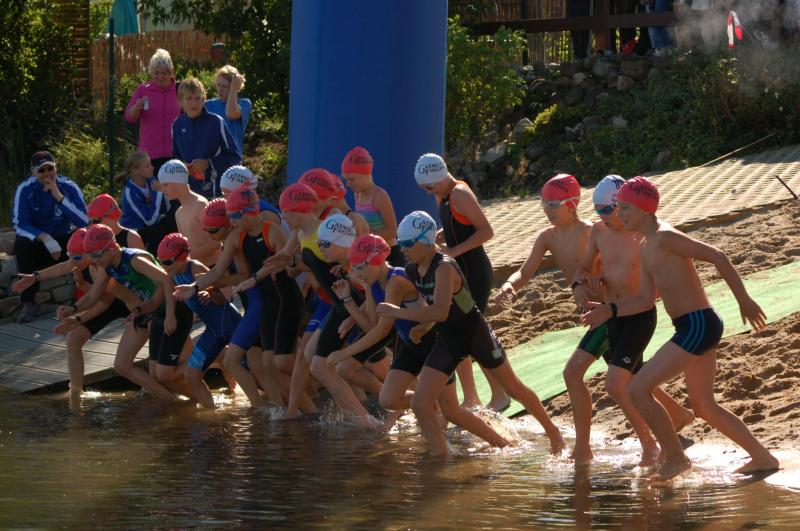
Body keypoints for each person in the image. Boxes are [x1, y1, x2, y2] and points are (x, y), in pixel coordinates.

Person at [581, 176, 779, 480]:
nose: (619, 214)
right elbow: (644, 300)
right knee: (704, 406)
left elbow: (718, 256)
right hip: (692, 326)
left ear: (645, 210)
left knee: (638, 388)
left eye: (625, 208)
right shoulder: (646, 246)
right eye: (617, 207)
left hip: (698, 324)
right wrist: (610, 310)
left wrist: (744, 300)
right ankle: (763, 458)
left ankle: (675, 458)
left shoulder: (665, 236)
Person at [377, 211, 565, 454]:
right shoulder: (413, 269)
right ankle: (442, 457)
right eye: (400, 243)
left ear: (425, 241)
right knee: (421, 403)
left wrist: (396, 312)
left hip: (476, 335)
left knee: (514, 388)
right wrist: (423, 326)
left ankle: (553, 432)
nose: (402, 249)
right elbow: (434, 308)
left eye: (407, 243)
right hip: (449, 339)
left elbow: (440, 311)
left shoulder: (444, 267)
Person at [329, 234, 511, 453]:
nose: (356, 274)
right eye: (354, 268)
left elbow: (382, 330)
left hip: (435, 345)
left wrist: (344, 353)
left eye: (359, 267)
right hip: (412, 345)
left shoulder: (396, 281)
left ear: (376, 261)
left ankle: (502, 445)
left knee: (452, 411)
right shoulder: (374, 283)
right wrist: (350, 299)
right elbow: (370, 325)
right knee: (388, 399)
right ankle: (432, 415)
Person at [569, 175, 693, 466]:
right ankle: (676, 416)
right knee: (595, 374)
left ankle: (650, 446)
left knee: (617, 383)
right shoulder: (598, 231)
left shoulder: (642, 237)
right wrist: (580, 285)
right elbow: (583, 267)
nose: (601, 216)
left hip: (636, 317)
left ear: (622, 206)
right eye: (597, 210)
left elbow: (652, 292)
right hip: (607, 314)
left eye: (606, 209)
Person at [414, 153, 509, 412]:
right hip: (458, 273)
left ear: (440, 178)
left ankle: (500, 395)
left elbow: (486, 231)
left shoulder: (460, 194)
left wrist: (453, 251)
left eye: (429, 187)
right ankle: (471, 397)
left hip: (474, 272)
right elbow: (457, 227)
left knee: (472, 333)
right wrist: (438, 237)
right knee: (456, 332)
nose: (428, 192)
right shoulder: (442, 195)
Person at [62, 224, 179, 399]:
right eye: (90, 256)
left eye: (96, 255)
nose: (93, 261)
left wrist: (170, 315)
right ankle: (170, 400)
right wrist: (73, 310)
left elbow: (167, 279)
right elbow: (93, 295)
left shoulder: (134, 259)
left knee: (161, 373)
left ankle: (179, 396)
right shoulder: (108, 266)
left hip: (165, 312)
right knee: (122, 366)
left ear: (110, 248)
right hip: (144, 312)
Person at [158, 233, 242, 409]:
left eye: (167, 262)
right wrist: (170, 316)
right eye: (161, 262)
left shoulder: (195, 268)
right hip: (213, 331)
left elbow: (222, 299)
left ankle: (266, 406)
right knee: (191, 375)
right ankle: (212, 413)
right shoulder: (172, 273)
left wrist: (209, 293)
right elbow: (169, 294)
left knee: (253, 371)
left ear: (181, 257)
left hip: (230, 324)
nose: (164, 266)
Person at [12, 150, 88, 323]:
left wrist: (58, 196)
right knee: (22, 243)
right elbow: (20, 224)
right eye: (41, 170)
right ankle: (29, 302)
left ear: (56, 168)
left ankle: (83, 295)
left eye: (50, 168)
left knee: (84, 236)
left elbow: (85, 220)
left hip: (64, 244)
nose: (47, 174)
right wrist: (45, 238)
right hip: (41, 246)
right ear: (33, 172)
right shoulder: (25, 189)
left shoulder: (68, 186)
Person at [172, 77, 241, 199]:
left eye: (198, 98)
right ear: (180, 101)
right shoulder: (177, 125)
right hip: (189, 195)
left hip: (216, 192)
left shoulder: (216, 122)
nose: (194, 103)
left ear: (204, 99)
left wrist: (208, 164)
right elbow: (176, 158)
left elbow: (235, 157)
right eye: (189, 98)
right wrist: (183, 167)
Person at [340, 146, 402, 265]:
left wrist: (366, 235)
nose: (348, 184)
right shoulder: (357, 194)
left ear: (365, 174)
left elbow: (393, 231)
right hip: (369, 254)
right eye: (346, 179)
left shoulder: (379, 196)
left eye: (351, 179)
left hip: (389, 255)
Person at [123, 49, 181, 176]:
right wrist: (136, 108)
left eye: (164, 73)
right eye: (156, 73)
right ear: (151, 73)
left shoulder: (179, 90)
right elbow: (129, 117)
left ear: (171, 72)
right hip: (150, 156)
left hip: (176, 153)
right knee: (153, 188)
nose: (160, 77)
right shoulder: (143, 90)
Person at [157, 159, 221, 267]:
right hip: (195, 269)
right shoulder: (178, 213)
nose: (162, 190)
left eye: (165, 185)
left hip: (215, 267)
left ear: (179, 182)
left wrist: (186, 257)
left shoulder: (200, 205)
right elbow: (184, 246)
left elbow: (216, 243)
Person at [117, 150, 171, 255]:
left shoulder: (151, 181)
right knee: (158, 231)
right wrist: (158, 192)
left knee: (172, 219)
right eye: (147, 166)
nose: (152, 168)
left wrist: (163, 191)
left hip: (148, 227)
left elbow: (166, 208)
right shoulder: (130, 193)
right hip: (133, 232)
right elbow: (149, 220)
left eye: (150, 164)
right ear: (135, 170)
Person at [204, 65, 252, 154]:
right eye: (218, 85)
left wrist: (233, 90)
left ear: (234, 86)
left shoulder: (244, 103)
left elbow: (231, 114)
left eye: (225, 86)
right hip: (212, 158)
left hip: (233, 157)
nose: (220, 89)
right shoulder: (207, 105)